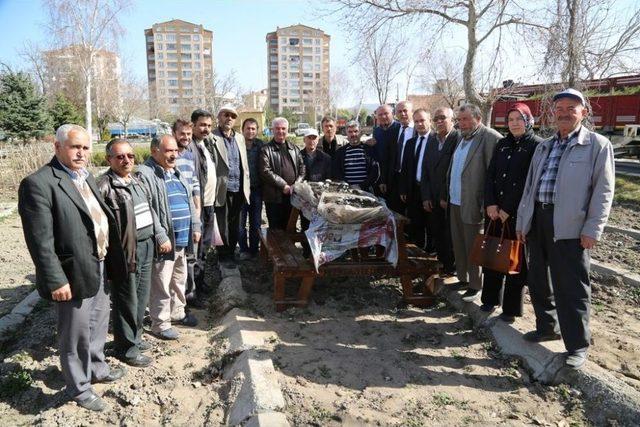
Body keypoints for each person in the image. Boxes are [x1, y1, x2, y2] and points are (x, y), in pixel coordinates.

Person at [19, 124, 126, 411]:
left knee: (99, 322)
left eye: (86, 147)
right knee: (74, 333)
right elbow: (41, 241)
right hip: (71, 273)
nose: (81, 153)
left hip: (98, 264)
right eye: (75, 147)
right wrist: (56, 280)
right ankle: (79, 388)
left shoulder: (85, 176)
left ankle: (97, 368)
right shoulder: (39, 183)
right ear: (57, 147)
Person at [516, 88, 615, 369]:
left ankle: (577, 346)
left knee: (571, 287)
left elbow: (603, 191)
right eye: (559, 108)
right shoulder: (545, 146)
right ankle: (547, 327)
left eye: (572, 108)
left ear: (584, 112)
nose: (564, 112)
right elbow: (530, 187)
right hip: (539, 222)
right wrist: (524, 222)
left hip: (570, 228)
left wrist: (593, 228)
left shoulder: (596, 145)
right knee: (537, 280)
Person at [97, 139, 159, 368]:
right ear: (109, 159)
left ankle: (136, 337)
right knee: (126, 300)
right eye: (120, 156)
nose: (126, 160)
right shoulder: (104, 185)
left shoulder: (138, 180)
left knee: (141, 298)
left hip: (146, 246)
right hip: (125, 252)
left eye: (130, 156)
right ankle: (126, 348)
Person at [480, 103, 542, 322]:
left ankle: (511, 309)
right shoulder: (502, 144)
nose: (514, 123)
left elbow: (528, 181)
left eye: (519, 119)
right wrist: (490, 203)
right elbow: (491, 175)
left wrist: (508, 208)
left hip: (517, 214)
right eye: (511, 119)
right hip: (494, 212)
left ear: (528, 120)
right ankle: (489, 299)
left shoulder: (536, 146)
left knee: (515, 262)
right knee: (492, 256)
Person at [138, 135, 201, 340]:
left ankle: (177, 312)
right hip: (165, 241)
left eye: (175, 151)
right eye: (168, 151)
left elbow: (189, 200)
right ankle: (161, 323)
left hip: (182, 238)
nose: (174, 155)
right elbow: (147, 208)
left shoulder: (176, 171)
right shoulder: (146, 174)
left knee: (178, 278)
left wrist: (196, 225)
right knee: (161, 283)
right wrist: (160, 235)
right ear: (154, 151)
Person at [442, 104, 502, 302]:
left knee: (474, 246)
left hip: (474, 202)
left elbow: (494, 175)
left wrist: (489, 203)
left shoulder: (490, 137)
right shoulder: (461, 137)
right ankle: (462, 277)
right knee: (458, 242)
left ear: (478, 117)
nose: (462, 123)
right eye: (460, 120)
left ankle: (476, 285)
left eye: (466, 119)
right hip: (456, 200)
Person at [206, 105, 250, 266]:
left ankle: (232, 251)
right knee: (222, 224)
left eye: (232, 116)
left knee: (236, 223)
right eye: (225, 115)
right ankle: (223, 255)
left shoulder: (239, 137)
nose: (229, 118)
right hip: (222, 189)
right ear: (219, 117)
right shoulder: (212, 137)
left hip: (239, 187)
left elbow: (244, 165)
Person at [421, 107, 459, 275]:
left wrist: (445, 195)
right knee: (437, 232)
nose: (439, 121)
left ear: (452, 119)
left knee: (450, 235)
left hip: (448, 197)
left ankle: (452, 268)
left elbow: (453, 171)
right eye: (436, 118)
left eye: (443, 118)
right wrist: (426, 196)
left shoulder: (457, 139)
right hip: (432, 196)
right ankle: (443, 264)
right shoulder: (432, 140)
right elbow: (426, 171)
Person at [188, 109, 216, 300]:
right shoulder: (190, 148)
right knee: (195, 250)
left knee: (204, 247)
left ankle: (200, 282)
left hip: (209, 203)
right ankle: (191, 292)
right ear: (193, 126)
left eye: (209, 125)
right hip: (197, 206)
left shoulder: (205, 145)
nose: (206, 129)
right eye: (202, 125)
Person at [173, 119, 202, 302]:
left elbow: (194, 182)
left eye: (188, 134)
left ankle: (190, 295)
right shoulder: (170, 156)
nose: (185, 137)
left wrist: (197, 206)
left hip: (192, 210)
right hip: (177, 213)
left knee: (192, 254)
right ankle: (176, 298)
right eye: (182, 134)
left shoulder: (190, 155)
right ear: (174, 133)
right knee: (176, 258)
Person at [260, 117, 306, 230]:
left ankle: (289, 248)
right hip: (274, 197)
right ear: (272, 130)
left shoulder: (294, 149)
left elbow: (302, 168)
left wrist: (296, 184)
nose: (280, 131)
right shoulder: (266, 149)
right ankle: (276, 248)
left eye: (283, 128)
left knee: (290, 227)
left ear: (288, 129)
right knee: (276, 230)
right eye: (277, 128)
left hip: (292, 196)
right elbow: (265, 171)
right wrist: (283, 185)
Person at [399, 108, 431, 249]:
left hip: (430, 192)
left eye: (422, 120)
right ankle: (417, 253)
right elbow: (405, 169)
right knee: (415, 224)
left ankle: (431, 253)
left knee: (431, 226)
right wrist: (404, 189)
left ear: (429, 121)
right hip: (413, 191)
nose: (419, 124)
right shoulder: (411, 143)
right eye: (416, 121)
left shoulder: (436, 141)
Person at [300, 128, 332, 257]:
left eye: (314, 138)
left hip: (321, 198)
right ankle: (307, 250)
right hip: (304, 198)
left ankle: (320, 251)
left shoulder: (325, 158)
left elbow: (330, 177)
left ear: (318, 140)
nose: (311, 141)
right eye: (309, 138)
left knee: (321, 225)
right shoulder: (298, 155)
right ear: (304, 139)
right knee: (305, 224)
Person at [238, 117, 264, 260]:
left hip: (256, 190)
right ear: (243, 130)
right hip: (240, 191)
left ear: (257, 131)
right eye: (248, 128)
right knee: (241, 224)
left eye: (253, 128)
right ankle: (243, 249)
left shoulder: (261, 146)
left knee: (256, 222)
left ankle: (254, 250)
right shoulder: (237, 144)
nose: (250, 131)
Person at [383, 101, 414, 214]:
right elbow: (388, 158)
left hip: (411, 181)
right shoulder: (394, 131)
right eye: (399, 111)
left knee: (412, 217)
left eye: (405, 110)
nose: (403, 114)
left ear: (412, 112)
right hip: (394, 179)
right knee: (395, 214)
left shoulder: (418, 131)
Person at [333, 121, 380, 192]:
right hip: (346, 190)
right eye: (350, 132)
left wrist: (361, 186)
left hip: (365, 190)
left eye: (356, 131)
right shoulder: (340, 152)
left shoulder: (369, 150)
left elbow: (375, 171)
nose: (353, 134)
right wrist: (347, 186)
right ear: (346, 134)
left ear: (360, 133)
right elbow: (337, 172)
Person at [368, 104, 400, 196]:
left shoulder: (399, 128)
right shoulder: (377, 131)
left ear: (393, 114)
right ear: (376, 117)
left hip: (396, 176)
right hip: (381, 175)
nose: (383, 116)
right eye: (380, 114)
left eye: (386, 113)